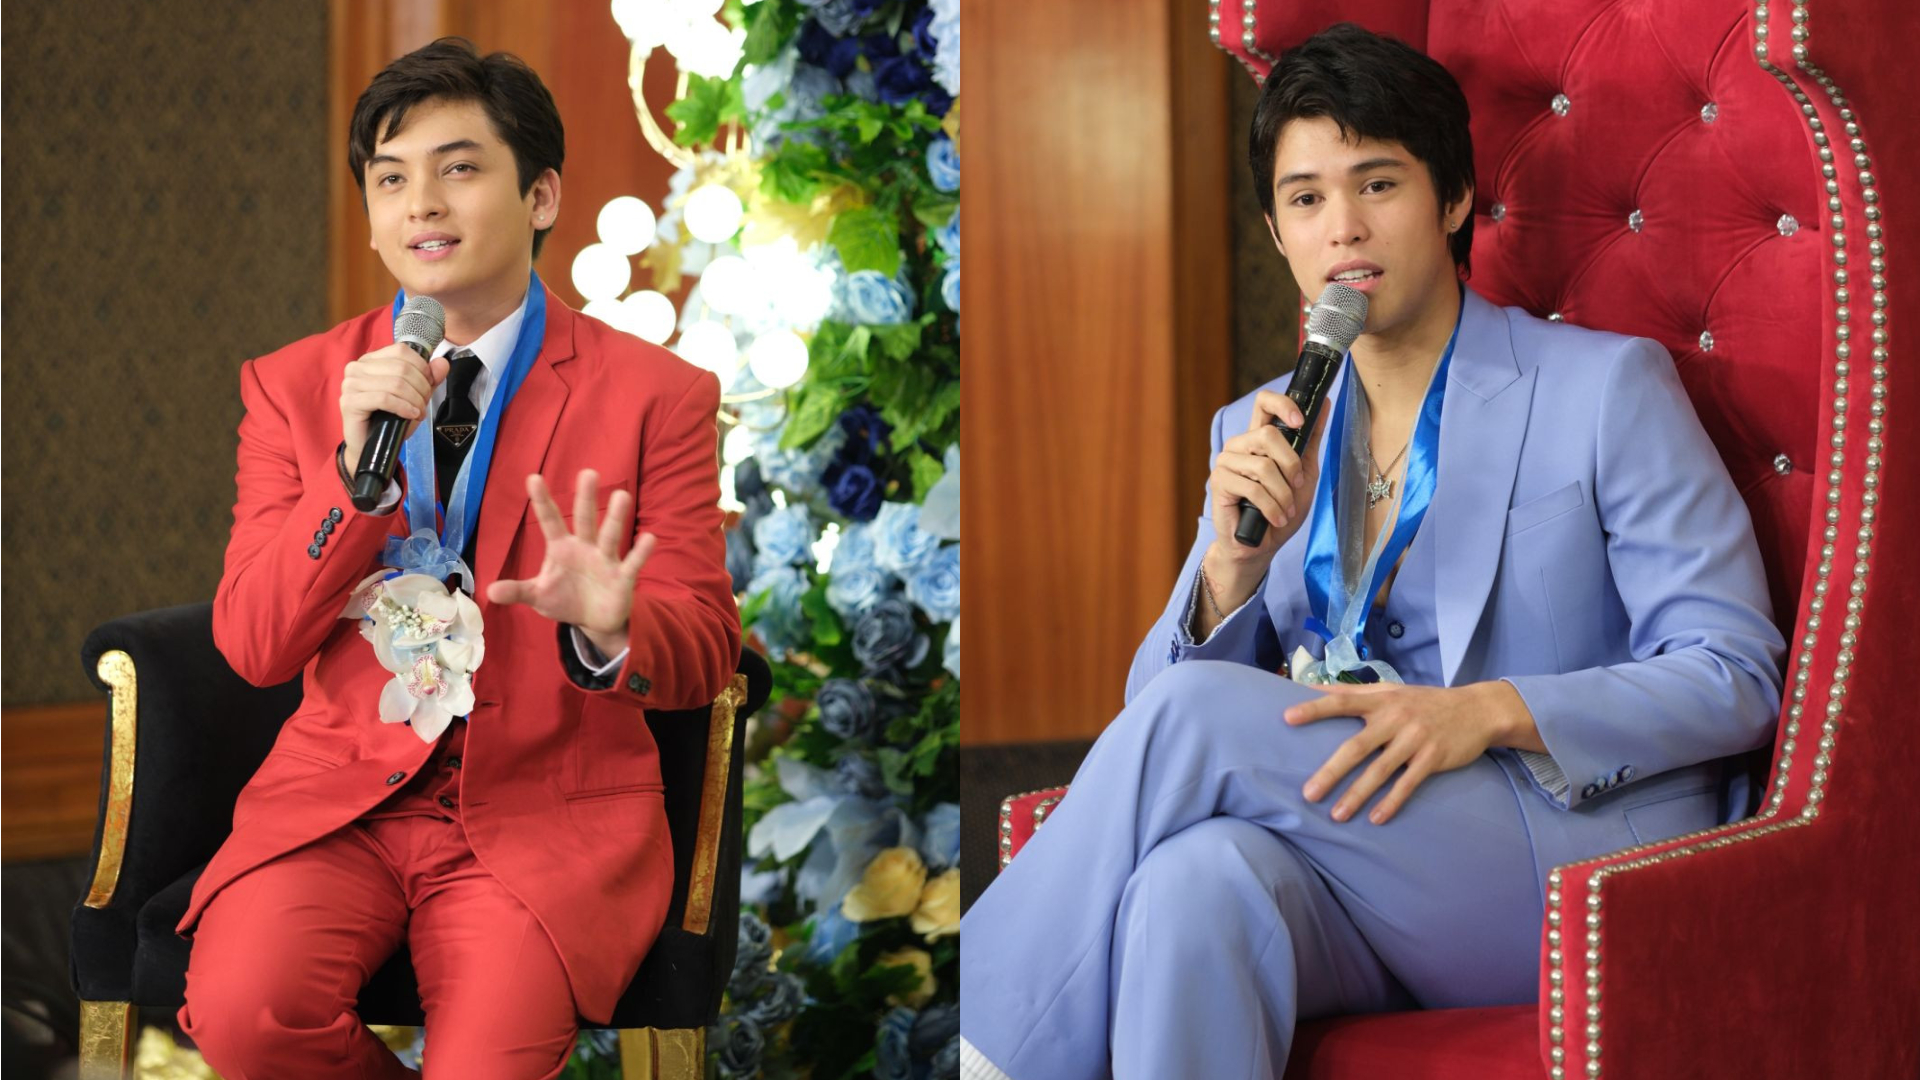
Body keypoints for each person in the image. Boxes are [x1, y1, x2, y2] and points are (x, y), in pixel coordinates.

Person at [958, 23, 1784, 1080]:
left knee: (1195, 721)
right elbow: (1152, 726)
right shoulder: (1259, 428)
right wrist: (1230, 572)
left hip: (1565, 854)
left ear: (1453, 200)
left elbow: (1735, 674)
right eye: (1306, 199)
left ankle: (972, 1048)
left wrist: (1490, 710)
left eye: (1378, 185)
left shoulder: (1603, 388)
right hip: (1361, 869)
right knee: (1194, 884)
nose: (1343, 227)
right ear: (1276, 232)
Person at [173, 38, 740, 1079]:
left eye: (460, 168)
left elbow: (705, 648)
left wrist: (613, 625)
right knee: (247, 1013)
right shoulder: (295, 386)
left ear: (541, 195)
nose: (421, 205)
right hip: (342, 804)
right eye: (390, 179)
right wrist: (353, 488)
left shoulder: (657, 396)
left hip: (541, 815)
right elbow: (254, 646)